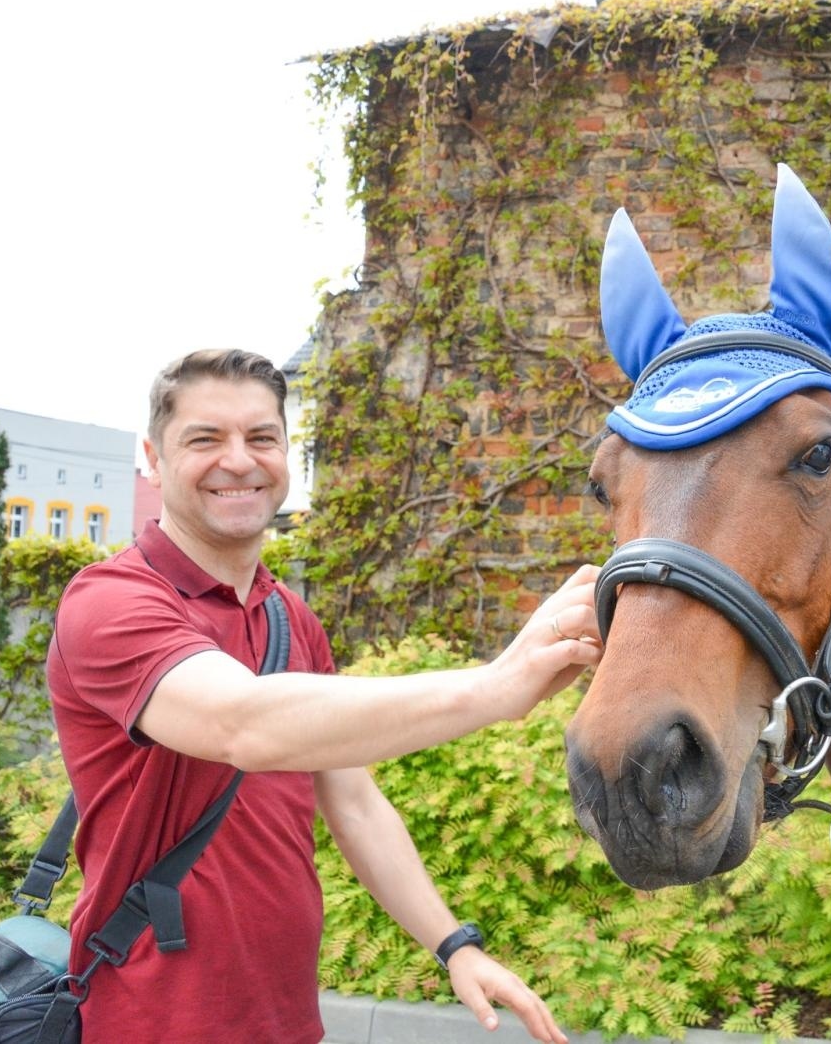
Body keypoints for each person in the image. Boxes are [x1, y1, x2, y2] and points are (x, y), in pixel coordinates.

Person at [47, 348, 601, 1044]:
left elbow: (354, 800)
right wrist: (494, 687)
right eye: (205, 439)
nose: (239, 461)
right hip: (151, 1020)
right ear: (154, 460)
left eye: (261, 437)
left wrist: (455, 945)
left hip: (284, 1019)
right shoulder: (111, 601)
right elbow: (243, 724)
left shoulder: (289, 619)